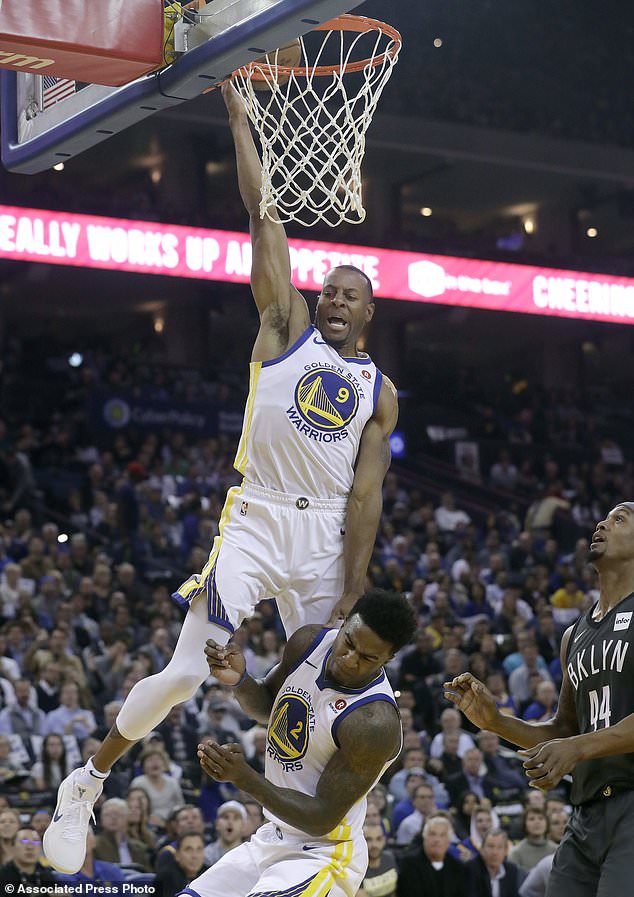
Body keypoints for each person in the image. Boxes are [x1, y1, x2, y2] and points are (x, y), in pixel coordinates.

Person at [44, 81, 398, 877]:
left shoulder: (382, 393)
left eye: (352, 296)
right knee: (186, 671)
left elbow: (369, 495)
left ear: (369, 313)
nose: (337, 301)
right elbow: (263, 212)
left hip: (322, 538)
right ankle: (87, 781)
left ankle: (335, 844)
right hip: (257, 516)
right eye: (330, 290)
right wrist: (240, 118)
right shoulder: (285, 325)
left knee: (345, 691)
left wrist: (354, 581)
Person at [445, 503, 634, 896]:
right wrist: (496, 721)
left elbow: (572, 743)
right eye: (604, 517)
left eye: (621, 519)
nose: (602, 523)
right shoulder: (574, 634)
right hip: (585, 813)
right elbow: (564, 730)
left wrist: (577, 748)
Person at [182, 589, 415, 897]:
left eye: (367, 658)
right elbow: (270, 708)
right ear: (343, 625)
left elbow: (320, 818)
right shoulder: (309, 642)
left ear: (389, 658)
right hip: (271, 837)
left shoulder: (373, 722)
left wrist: (244, 777)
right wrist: (240, 681)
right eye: (349, 643)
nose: (349, 659)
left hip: (324, 854)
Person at [397, 814, 467, 897]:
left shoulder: (458, 867)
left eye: (442, 835)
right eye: (432, 834)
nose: (437, 840)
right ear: (424, 837)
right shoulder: (408, 864)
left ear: (449, 841)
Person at [466, 829, 523, 897]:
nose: (495, 852)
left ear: (506, 851)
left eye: (499, 847)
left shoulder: (511, 870)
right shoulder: (471, 869)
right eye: (490, 846)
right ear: (482, 849)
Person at [154, 830, 207, 895]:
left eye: (199, 849)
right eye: (189, 850)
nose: (194, 856)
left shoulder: (209, 875)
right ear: (177, 855)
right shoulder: (165, 878)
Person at [358, 823, 398, 897]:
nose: (374, 845)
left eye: (378, 839)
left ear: (384, 840)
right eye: (369, 839)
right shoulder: (356, 869)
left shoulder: (391, 858)